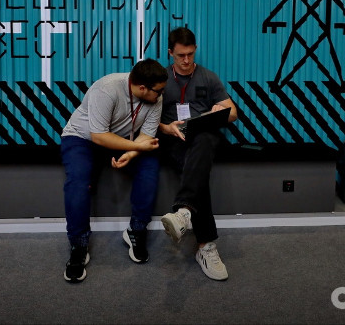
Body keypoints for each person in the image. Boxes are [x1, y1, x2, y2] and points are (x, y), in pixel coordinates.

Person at [60, 59, 168, 283]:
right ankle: (78, 246)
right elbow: (99, 136)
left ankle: (136, 230)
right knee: (77, 183)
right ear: (142, 88)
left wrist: (131, 153)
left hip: (125, 140)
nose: (161, 95)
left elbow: (146, 136)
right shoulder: (107, 89)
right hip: (82, 138)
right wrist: (136, 147)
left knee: (149, 169)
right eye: (158, 91)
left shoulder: (156, 96)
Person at [157, 27, 238, 280]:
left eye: (190, 54)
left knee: (203, 140)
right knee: (198, 172)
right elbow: (147, 120)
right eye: (180, 55)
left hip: (204, 137)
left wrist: (220, 111)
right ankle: (205, 244)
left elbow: (234, 113)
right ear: (170, 53)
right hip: (174, 138)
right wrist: (166, 128)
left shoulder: (208, 77)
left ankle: (183, 213)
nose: (186, 60)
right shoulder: (162, 79)